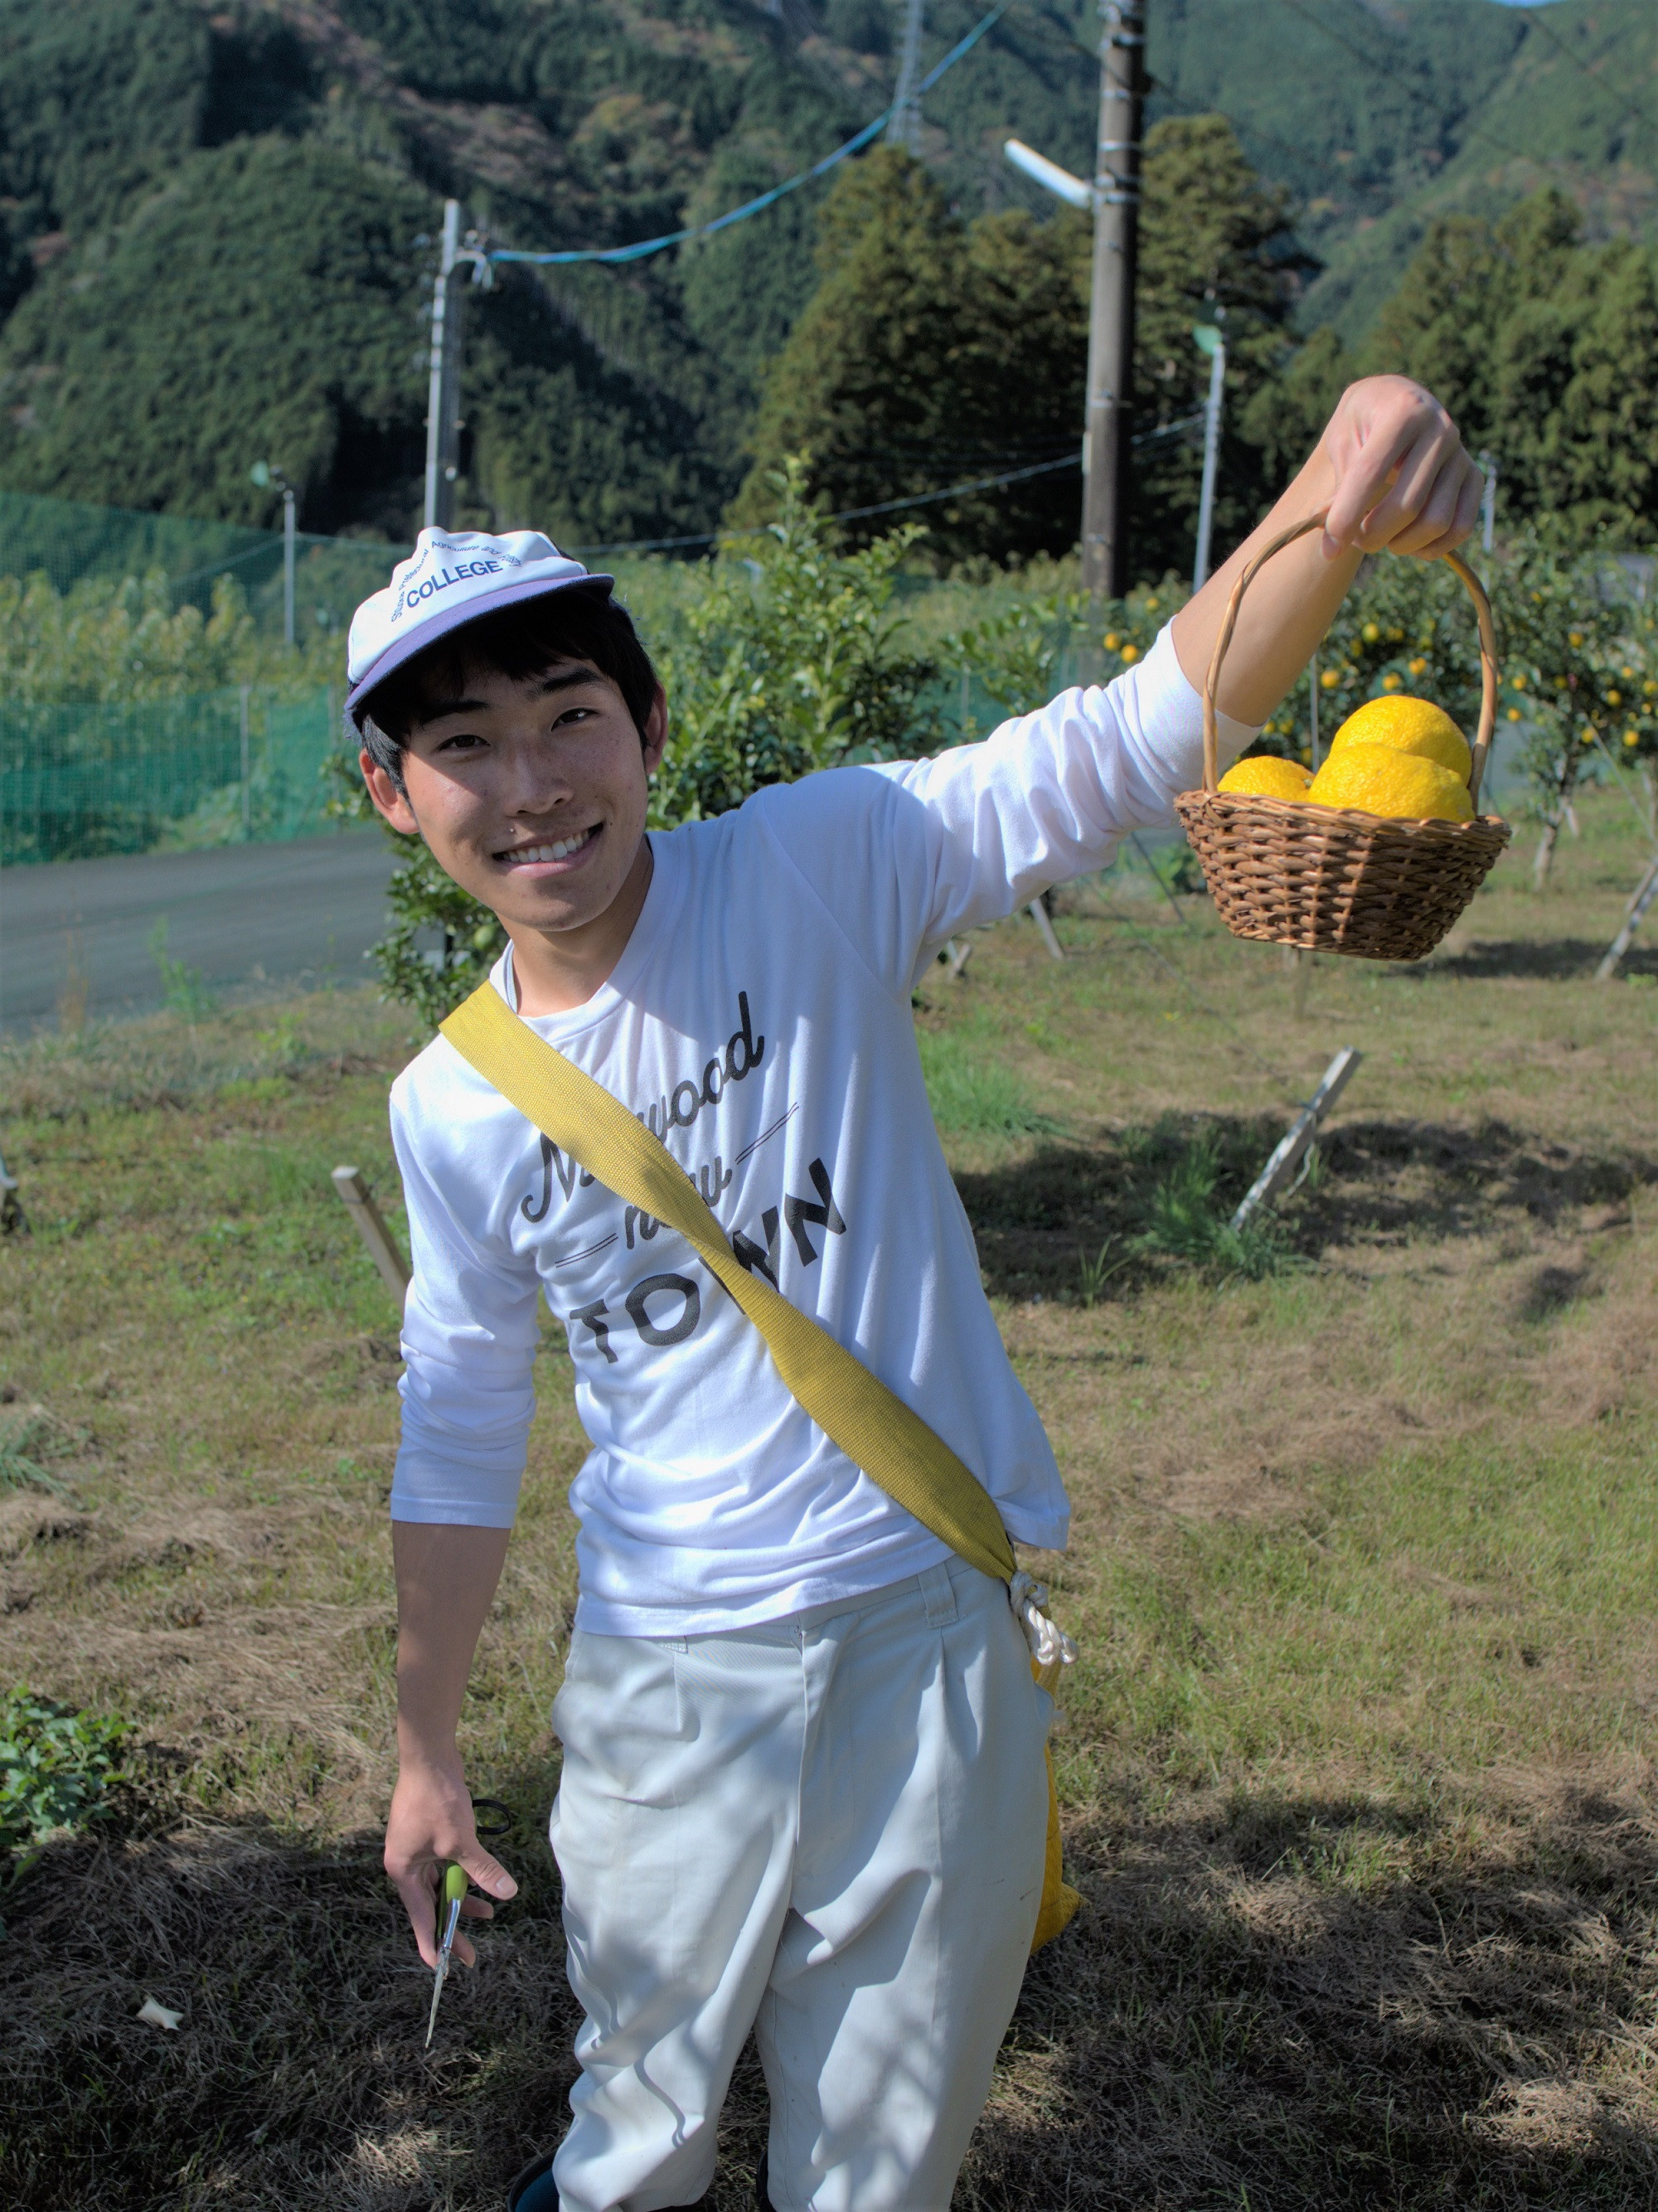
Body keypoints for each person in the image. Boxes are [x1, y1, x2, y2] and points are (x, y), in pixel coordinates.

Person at [359, 376, 1483, 2212]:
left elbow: (1132, 736)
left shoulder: (813, 865)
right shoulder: (452, 1105)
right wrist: (422, 1748)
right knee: (634, 2144)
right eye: (466, 742)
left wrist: (1331, 509)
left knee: (881, 2167)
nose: (534, 781)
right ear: (396, 793)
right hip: (667, 1678)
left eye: (571, 715)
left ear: (648, 723)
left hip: (929, 1633)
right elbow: (462, 1422)